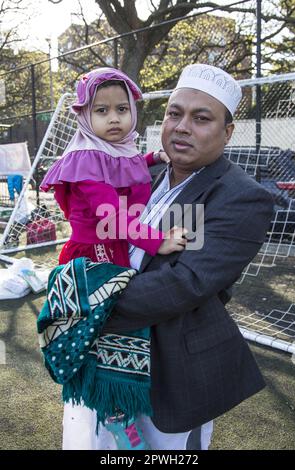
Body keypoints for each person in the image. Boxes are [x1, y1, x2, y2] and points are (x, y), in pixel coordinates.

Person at [90, 63, 273, 450]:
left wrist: (88, 303)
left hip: (171, 370)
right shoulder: (146, 176)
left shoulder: (239, 196)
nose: (182, 126)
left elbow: (183, 283)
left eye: (201, 118)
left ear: (227, 133)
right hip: (109, 359)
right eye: (175, 113)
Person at [40, 67, 187, 450]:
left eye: (122, 108)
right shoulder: (85, 160)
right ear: (85, 116)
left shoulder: (121, 151)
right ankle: (115, 420)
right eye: (101, 111)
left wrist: (156, 155)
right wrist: (158, 242)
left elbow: (130, 167)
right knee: (102, 340)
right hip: (93, 258)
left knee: (121, 334)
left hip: (119, 253)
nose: (114, 118)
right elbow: (109, 214)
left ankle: (118, 416)